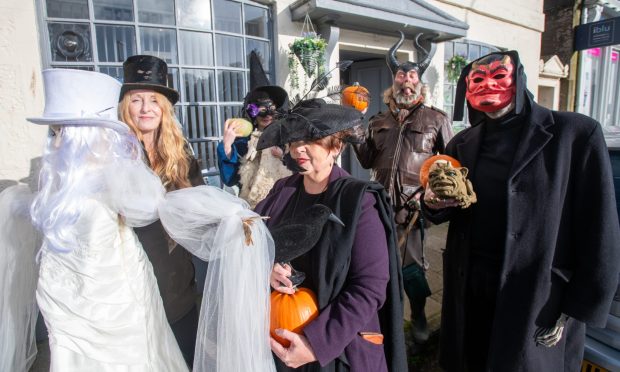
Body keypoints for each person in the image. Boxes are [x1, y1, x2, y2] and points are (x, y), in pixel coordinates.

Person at [423, 50, 620, 371]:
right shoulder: (461, 144)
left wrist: (573, 308)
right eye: (477, 79)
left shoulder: (574, 136)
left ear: (519, 80)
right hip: (471, 289)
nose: (488, 84)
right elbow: (445, 211)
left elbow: (600, 229)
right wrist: (433, 203)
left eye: (499, 76)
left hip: (538, 298)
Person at [27, 68, 189, 371]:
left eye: (63, 132)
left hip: (124, 309)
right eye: (54, 132)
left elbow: (153, 209)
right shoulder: (62, 182)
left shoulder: (118, 173)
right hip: (72, 309)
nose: (55, 143)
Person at [255, 99, 407, 372]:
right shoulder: (282, 191)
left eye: (310, 139)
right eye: (293, 139)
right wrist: (265, 267)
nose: (298, 148)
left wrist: (316, 343)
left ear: (336, 146)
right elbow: (250, 240)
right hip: (280, 340)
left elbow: (370, 286)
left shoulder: (358, 201)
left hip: (338, 348)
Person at [352, 31, 453, 344]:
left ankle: (419, 313)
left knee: (412, 270)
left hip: (413, 208)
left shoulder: (437, 119)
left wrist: (435, 192)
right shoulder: (377, 120)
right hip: (379, 205)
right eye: (400, 76)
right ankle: (389, 318)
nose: (406, 82)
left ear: (420, 84)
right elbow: (367, 160)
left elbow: (450, 162)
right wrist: (356, 132)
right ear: (393, 83)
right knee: (378, 266)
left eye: (411, 77)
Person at [118, 54, 202, 365]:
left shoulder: (182, 156)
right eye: (136, 100)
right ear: (125, 106)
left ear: (164, 108)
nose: (145, 108)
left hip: (176, 279)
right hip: (133, 281)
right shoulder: (114, 153)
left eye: (153, 100)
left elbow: (197, 207)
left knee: (185, 356)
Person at [217, 51, 291, 208]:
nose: (266, 115)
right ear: (251, 112)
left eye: (270, 108)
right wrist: (227, 147)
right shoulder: (244, 141)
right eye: (259, 109)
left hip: (284, 206)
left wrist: (284, 156)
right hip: (253, 209)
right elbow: (230, 180)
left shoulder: (288, 136)